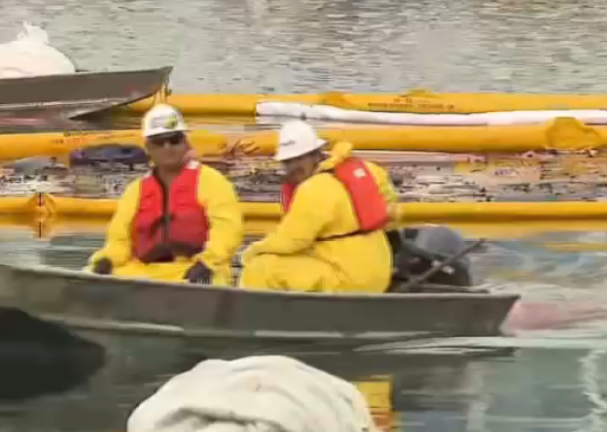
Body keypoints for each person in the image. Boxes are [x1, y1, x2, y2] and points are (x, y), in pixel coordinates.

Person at [86, 104, 244, 285]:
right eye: (159, 142)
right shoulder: (135, 190)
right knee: (92, 272)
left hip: (195, 268)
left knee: (213, 278)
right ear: (148, 147)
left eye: (174, 140)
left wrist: (206, 262)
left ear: (185, 142)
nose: (168, 147)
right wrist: (107, 260)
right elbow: (119, 239)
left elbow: (228, 231)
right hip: (145, 271)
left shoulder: (213, 182)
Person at [239, 120, 397, 293]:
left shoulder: (313, 188)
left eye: (299, 159)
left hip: (346, 279)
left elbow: (291, 241)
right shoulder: (369, 170)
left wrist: (252, 251)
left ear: (315, 155)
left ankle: (254, 316)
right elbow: (390, 206)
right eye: (288, 162)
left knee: (261, 267)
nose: (293, 167)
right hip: (379, 272)